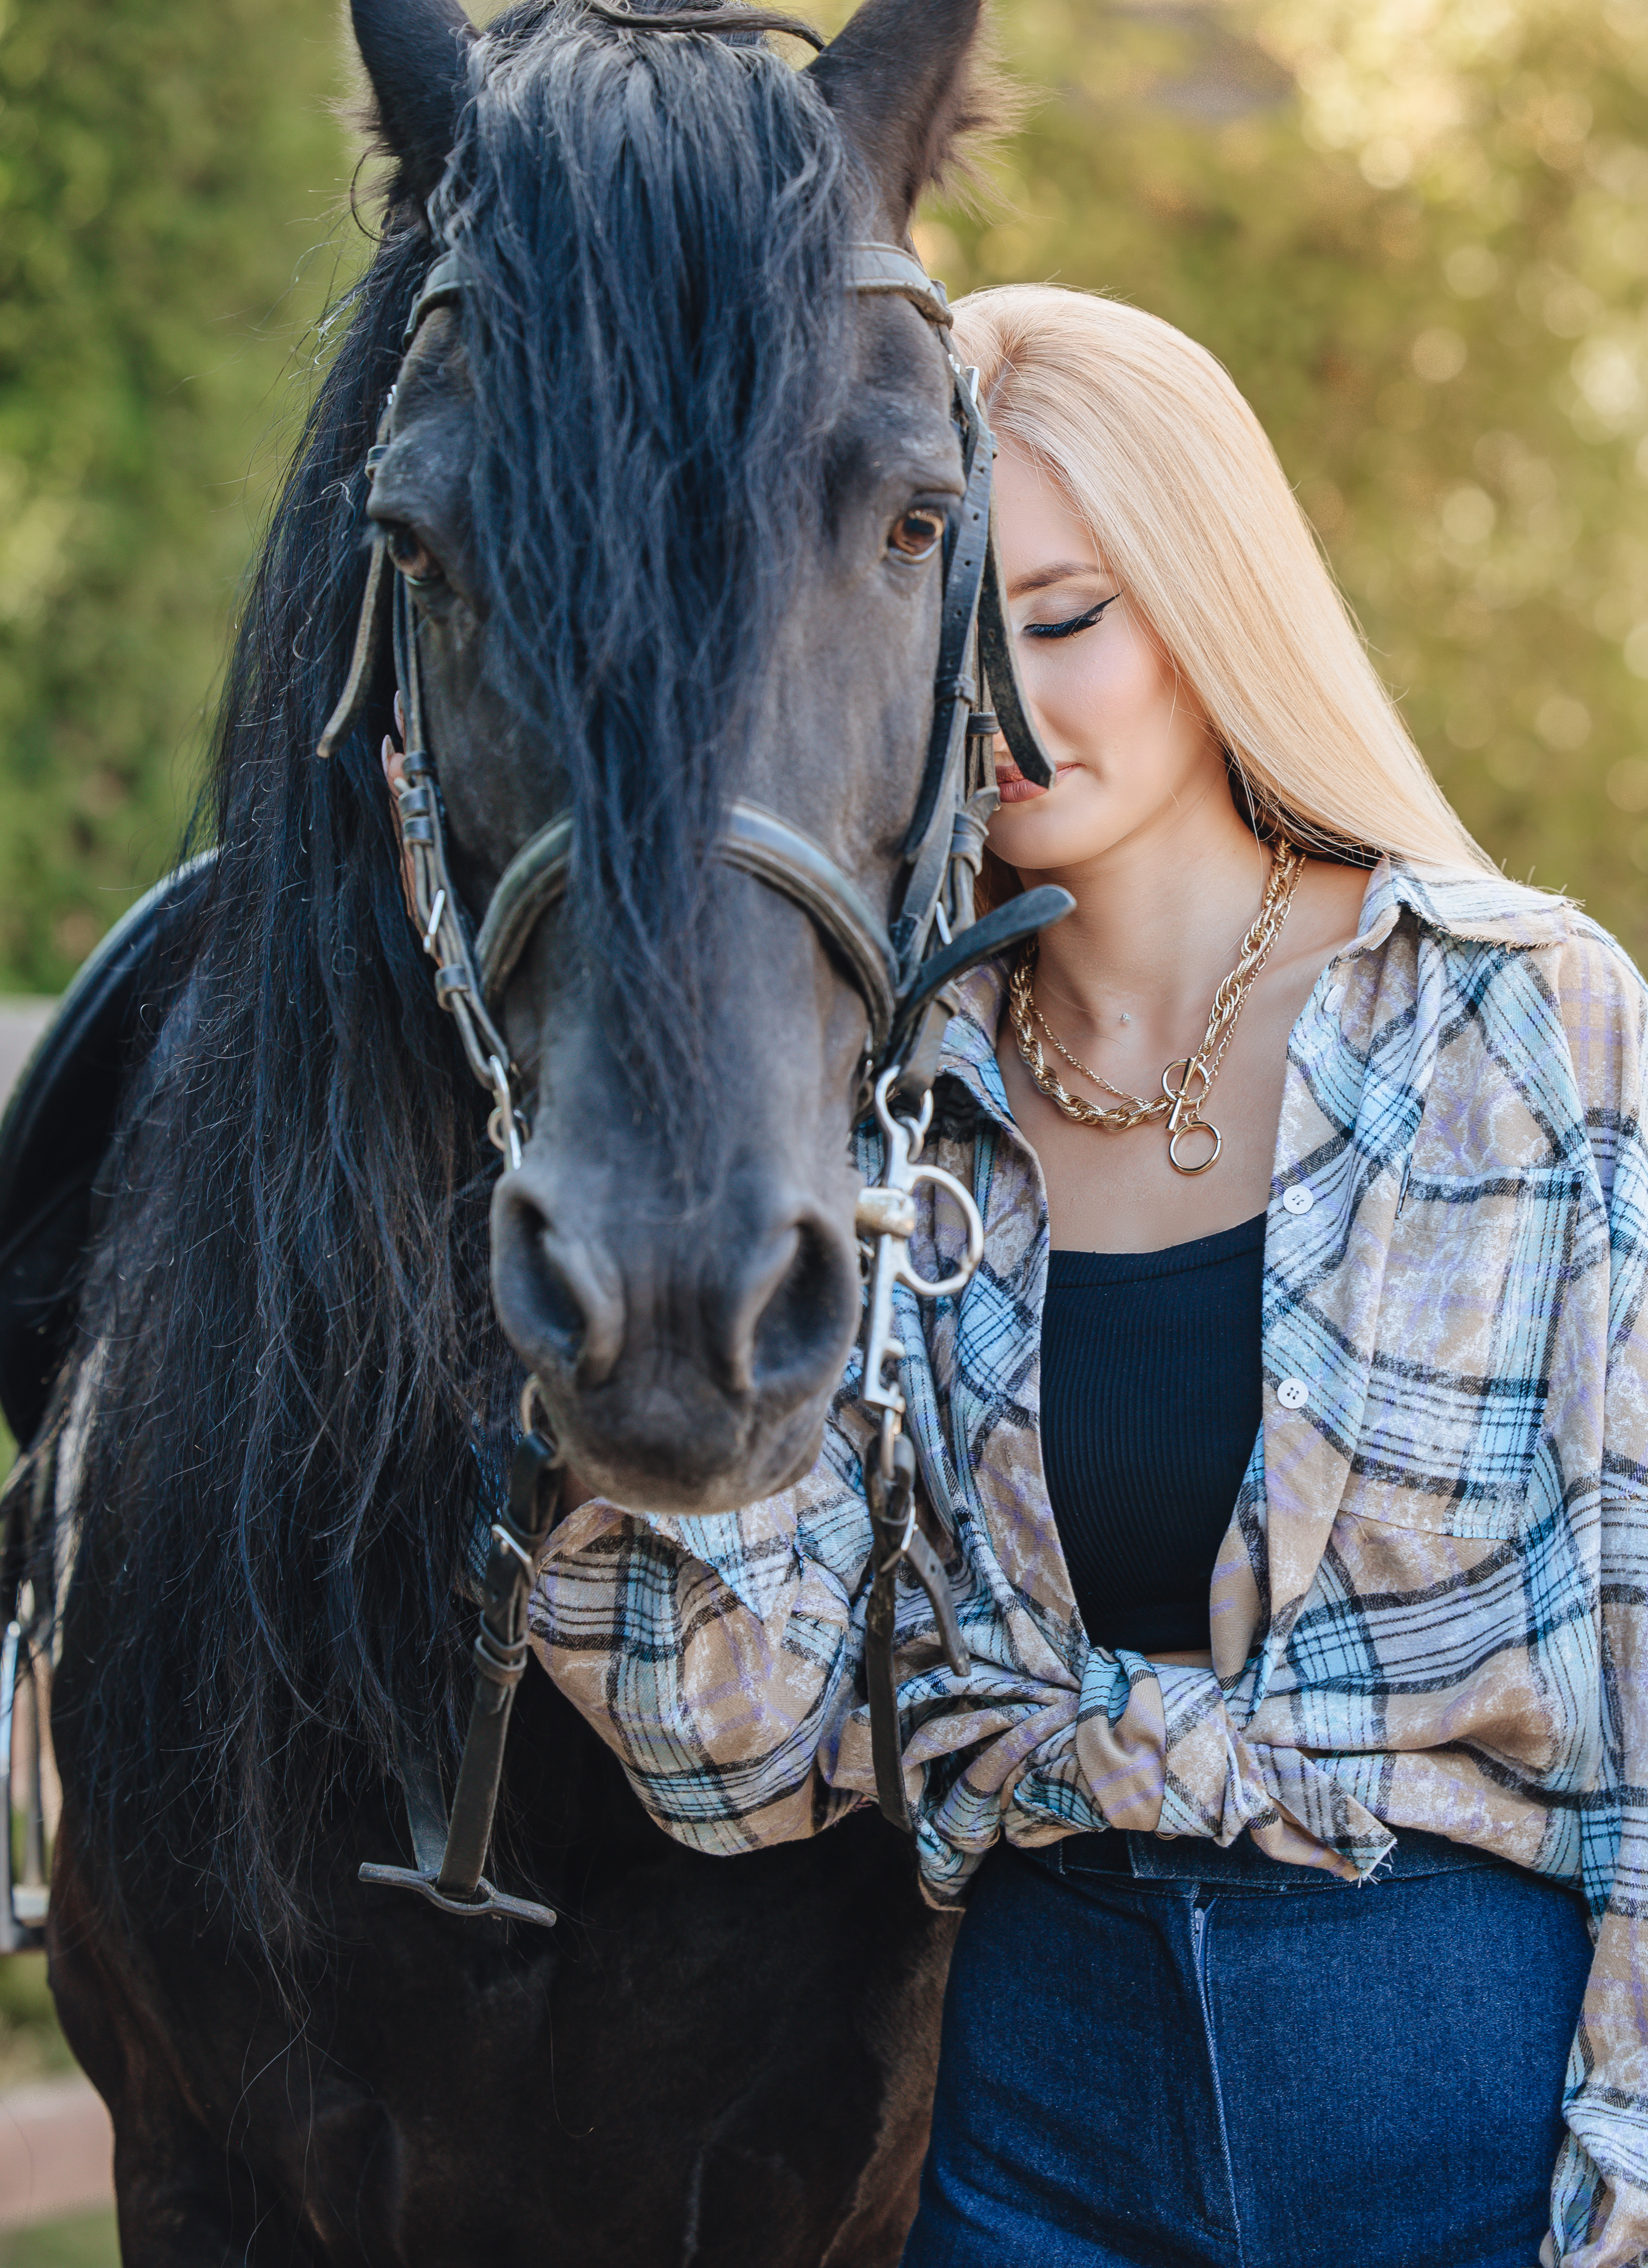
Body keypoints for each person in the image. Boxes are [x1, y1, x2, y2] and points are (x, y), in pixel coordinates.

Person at [529, 284, 1648, 2268]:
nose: (1008, 711)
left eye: (1064, 619)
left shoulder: (1526, 1026)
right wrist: (652, 1264)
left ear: (1213, 600)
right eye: (957, 638)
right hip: (1043, 2112)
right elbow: (736, 1746)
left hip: (1461, 2097)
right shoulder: (881, 1115)